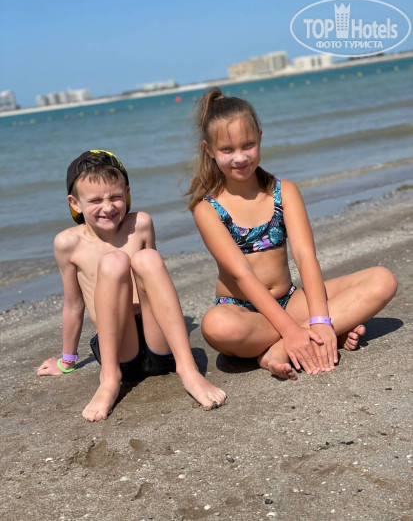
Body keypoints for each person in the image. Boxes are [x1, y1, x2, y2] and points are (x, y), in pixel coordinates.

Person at [185, 89, 398, 379]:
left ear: (260, 137)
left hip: (290, 301)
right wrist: (291, 330)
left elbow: (305, 255)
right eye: (227, 150)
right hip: (243, 313)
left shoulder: (283, 192)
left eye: (248, 145)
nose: (240, 157)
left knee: (382, 280)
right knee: (216, 326)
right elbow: (242, 275)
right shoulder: (207, 209)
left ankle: (281, 348)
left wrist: (320, 320)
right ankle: (312, 334)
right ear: (209, 149)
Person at [37, 150, 226, 421]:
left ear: (126, 193)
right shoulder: (68, 244)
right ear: (75, 203)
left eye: (114, 197)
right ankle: (109, 380)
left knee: (148, 258)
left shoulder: (141, 224)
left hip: (160, 346)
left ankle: (188, 370)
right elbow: (74, 305)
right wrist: (67, 360)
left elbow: (154, 285)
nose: (108, 207)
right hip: (119, 350)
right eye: (95, 200)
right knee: (114, 262)